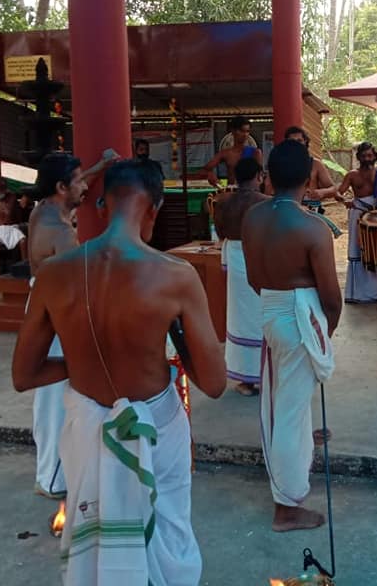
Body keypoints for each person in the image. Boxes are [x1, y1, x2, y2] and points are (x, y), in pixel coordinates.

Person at [13, 159, 225, 586]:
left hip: (86, 425)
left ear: (102, 206)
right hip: (156, 425)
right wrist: (171, 337)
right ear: (154, 210)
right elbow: (215, 382)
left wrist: (85, 356)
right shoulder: (175, 277)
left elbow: (24, 374)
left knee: (96, 538)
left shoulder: (54, 274)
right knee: (167, 534)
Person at [242, 140, 341, 532]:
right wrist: (325, 330)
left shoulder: (253, 217)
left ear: (268, 176)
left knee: (286, 396)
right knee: (287, 409)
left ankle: (299, 450)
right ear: (307, 178)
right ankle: (286, 507)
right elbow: (331, 297)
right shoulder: (313, 227)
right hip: (301, 314)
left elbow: (253, 278)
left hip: (271, 307)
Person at [25, 149, 118, 499]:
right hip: (55, 315)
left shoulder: (43, 211)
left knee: (48, 398)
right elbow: (72, 290)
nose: (85, 186)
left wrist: (102, 165)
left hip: (43, 306)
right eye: (78, 180)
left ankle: (50, 471)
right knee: (57, 396)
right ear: (62, 186)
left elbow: (78, 182)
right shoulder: (60, 233)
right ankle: (53, 479)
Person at [212, 157, 270, 396]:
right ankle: (265, 373)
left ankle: (245, 377)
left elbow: (221, 231)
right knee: (263, 312)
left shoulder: (223, 201)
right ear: (259, 176)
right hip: (258, 256)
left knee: (239, 315)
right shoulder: (265, 203)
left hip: (235, 256)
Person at [336, 141, 377, 304]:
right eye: (364, 156)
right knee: (357, 252)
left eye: (370, 155)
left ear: (375, 156)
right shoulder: (352, 175)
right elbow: (339, 193)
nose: (367, 158)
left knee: (376, 251)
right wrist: (345, 200)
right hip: (358, 214)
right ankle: (356, 294)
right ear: (359, 157)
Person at [0, 176, 27, 278]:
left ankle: (25, 268)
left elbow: (18, 215)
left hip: (12, 227)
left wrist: (19, 227)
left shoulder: (12, 196)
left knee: (23, 241)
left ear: (5, 187)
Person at [200, 116, 262, 187]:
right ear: (233, 131)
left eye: (247, 131)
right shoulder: (225, 153)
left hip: (250, 193)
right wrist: (212, 177)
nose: (245, 135)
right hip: (232, 192)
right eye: (242, 131)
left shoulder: (255, 152)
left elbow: (259, 177)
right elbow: (204, 170)